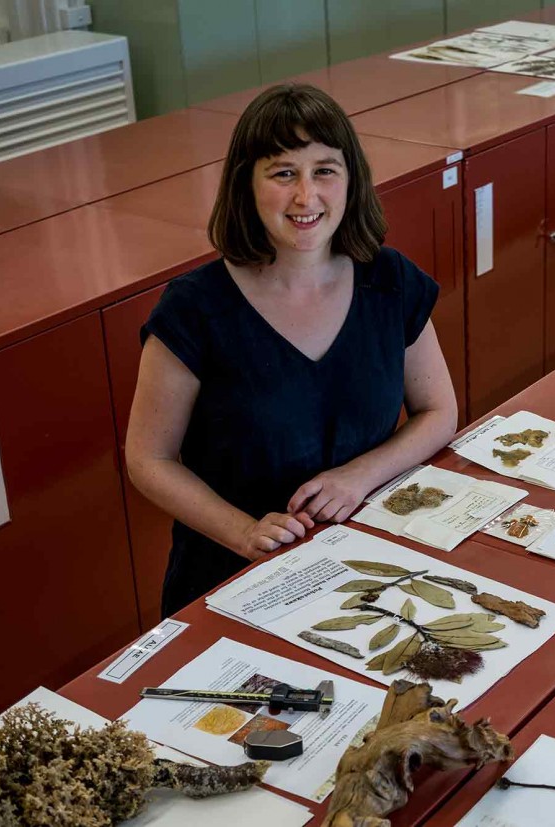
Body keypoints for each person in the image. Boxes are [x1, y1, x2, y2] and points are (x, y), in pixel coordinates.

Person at [125, 84, 458, 618]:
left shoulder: (389, 280)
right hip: (235, 579)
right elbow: (149, 459)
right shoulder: (194, 308)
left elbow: (439, 412)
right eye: (283, 173)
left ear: (351, 180)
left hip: (369, 567)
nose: (306, 197)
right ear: (246, 185)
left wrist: (359, 477)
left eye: (325, 170)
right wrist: (244, 532)